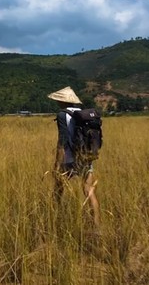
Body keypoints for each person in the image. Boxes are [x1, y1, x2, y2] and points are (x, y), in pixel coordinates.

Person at [48, 86, 101, 228]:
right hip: (85, 156)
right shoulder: (83, 113)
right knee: (89, 190)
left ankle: (56, 218)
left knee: (58, 188)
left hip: (68, 159)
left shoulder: (61, 115)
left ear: (61, 101)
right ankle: (96, 226)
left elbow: (63, 141)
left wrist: (57, 163)